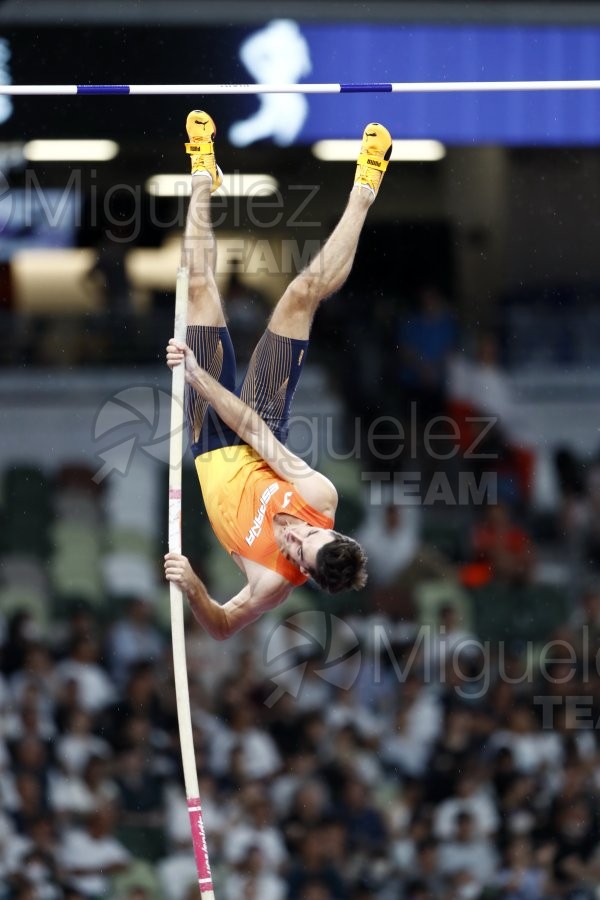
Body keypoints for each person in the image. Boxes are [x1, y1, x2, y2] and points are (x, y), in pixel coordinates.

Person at [164, 110, 392, 639]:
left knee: (197, 289)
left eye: (296, 552)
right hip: (256, 428)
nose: (292, 539)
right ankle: (364, 188)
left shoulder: (270, 583)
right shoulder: (318, 499)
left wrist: (195, 586)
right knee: (300, 296)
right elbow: (255, 430)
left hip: (209, 445)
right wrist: (196, 376)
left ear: (304, 575)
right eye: (305, 537)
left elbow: (221, 626)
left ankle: (202, 174)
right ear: (329, 531)